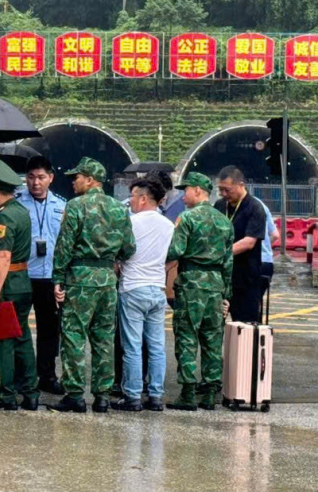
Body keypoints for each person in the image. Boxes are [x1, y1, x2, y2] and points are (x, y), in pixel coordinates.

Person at [47, 157, 135, 414]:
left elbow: (64, 245)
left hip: (80, 279)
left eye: (77, 177)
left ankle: (75, 394)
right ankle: (102, 396)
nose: (73, 182)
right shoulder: (120, 208)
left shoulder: (76, 206)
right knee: (104, 339)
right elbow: (129, 247)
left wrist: (58, 279)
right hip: (107, 279)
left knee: (74, 336)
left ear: (90, 179)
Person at [166, 172, 234, 411]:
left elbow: (175, 250)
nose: (183, 196)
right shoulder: (225, 222)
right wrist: (226, 295)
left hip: (191, 284)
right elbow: (228, 262)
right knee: (212, 339)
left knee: (186, 337)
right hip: (215, 285)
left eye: (186, 191)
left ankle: (187, 393)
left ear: (197, 190)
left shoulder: (187, 219)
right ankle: (208, 393)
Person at [0, 159, 39, 411]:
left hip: (6, 285)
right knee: (22, 337)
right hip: (22, 282)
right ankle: (30, 392)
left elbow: (3, 255)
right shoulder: (19, 211)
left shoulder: (4, 219)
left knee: (2, 340)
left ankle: (5, 395)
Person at [112, 176, 173, 412]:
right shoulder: (168, 225)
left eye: (133, 197)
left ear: (144, 198)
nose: (131, 202)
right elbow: (172, 256)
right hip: (157, 290)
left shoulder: (130, 223)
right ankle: (156, 397)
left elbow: (120, 254)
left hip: (133, 289)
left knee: (133, 346)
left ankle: (133, 397)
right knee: (157, 346)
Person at [16, 155, 66, 395]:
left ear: (51, 178)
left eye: (41, 177)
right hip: (23, 274)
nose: (36, 183)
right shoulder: (16, 204)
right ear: (26, 178)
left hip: (50, 276)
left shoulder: (61, 205)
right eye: (32, 177)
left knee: (49, 329)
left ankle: (47, 374)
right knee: (19, 327)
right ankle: (22, 375)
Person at [214, 166, 265, 323]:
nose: (223, 194)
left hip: (245, 279)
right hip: (220, 278)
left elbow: (249, 242)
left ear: (240, 184)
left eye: (227, 190)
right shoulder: (219, 206)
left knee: (245, 328)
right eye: (220, 190)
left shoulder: (255, 208)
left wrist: (220, 254)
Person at [254, 197, 279, 298]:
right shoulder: (262, 205)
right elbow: (275, 235)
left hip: (248, 263)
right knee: (256, 301)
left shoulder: (238, 206)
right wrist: (264, 245)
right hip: (266, 262)